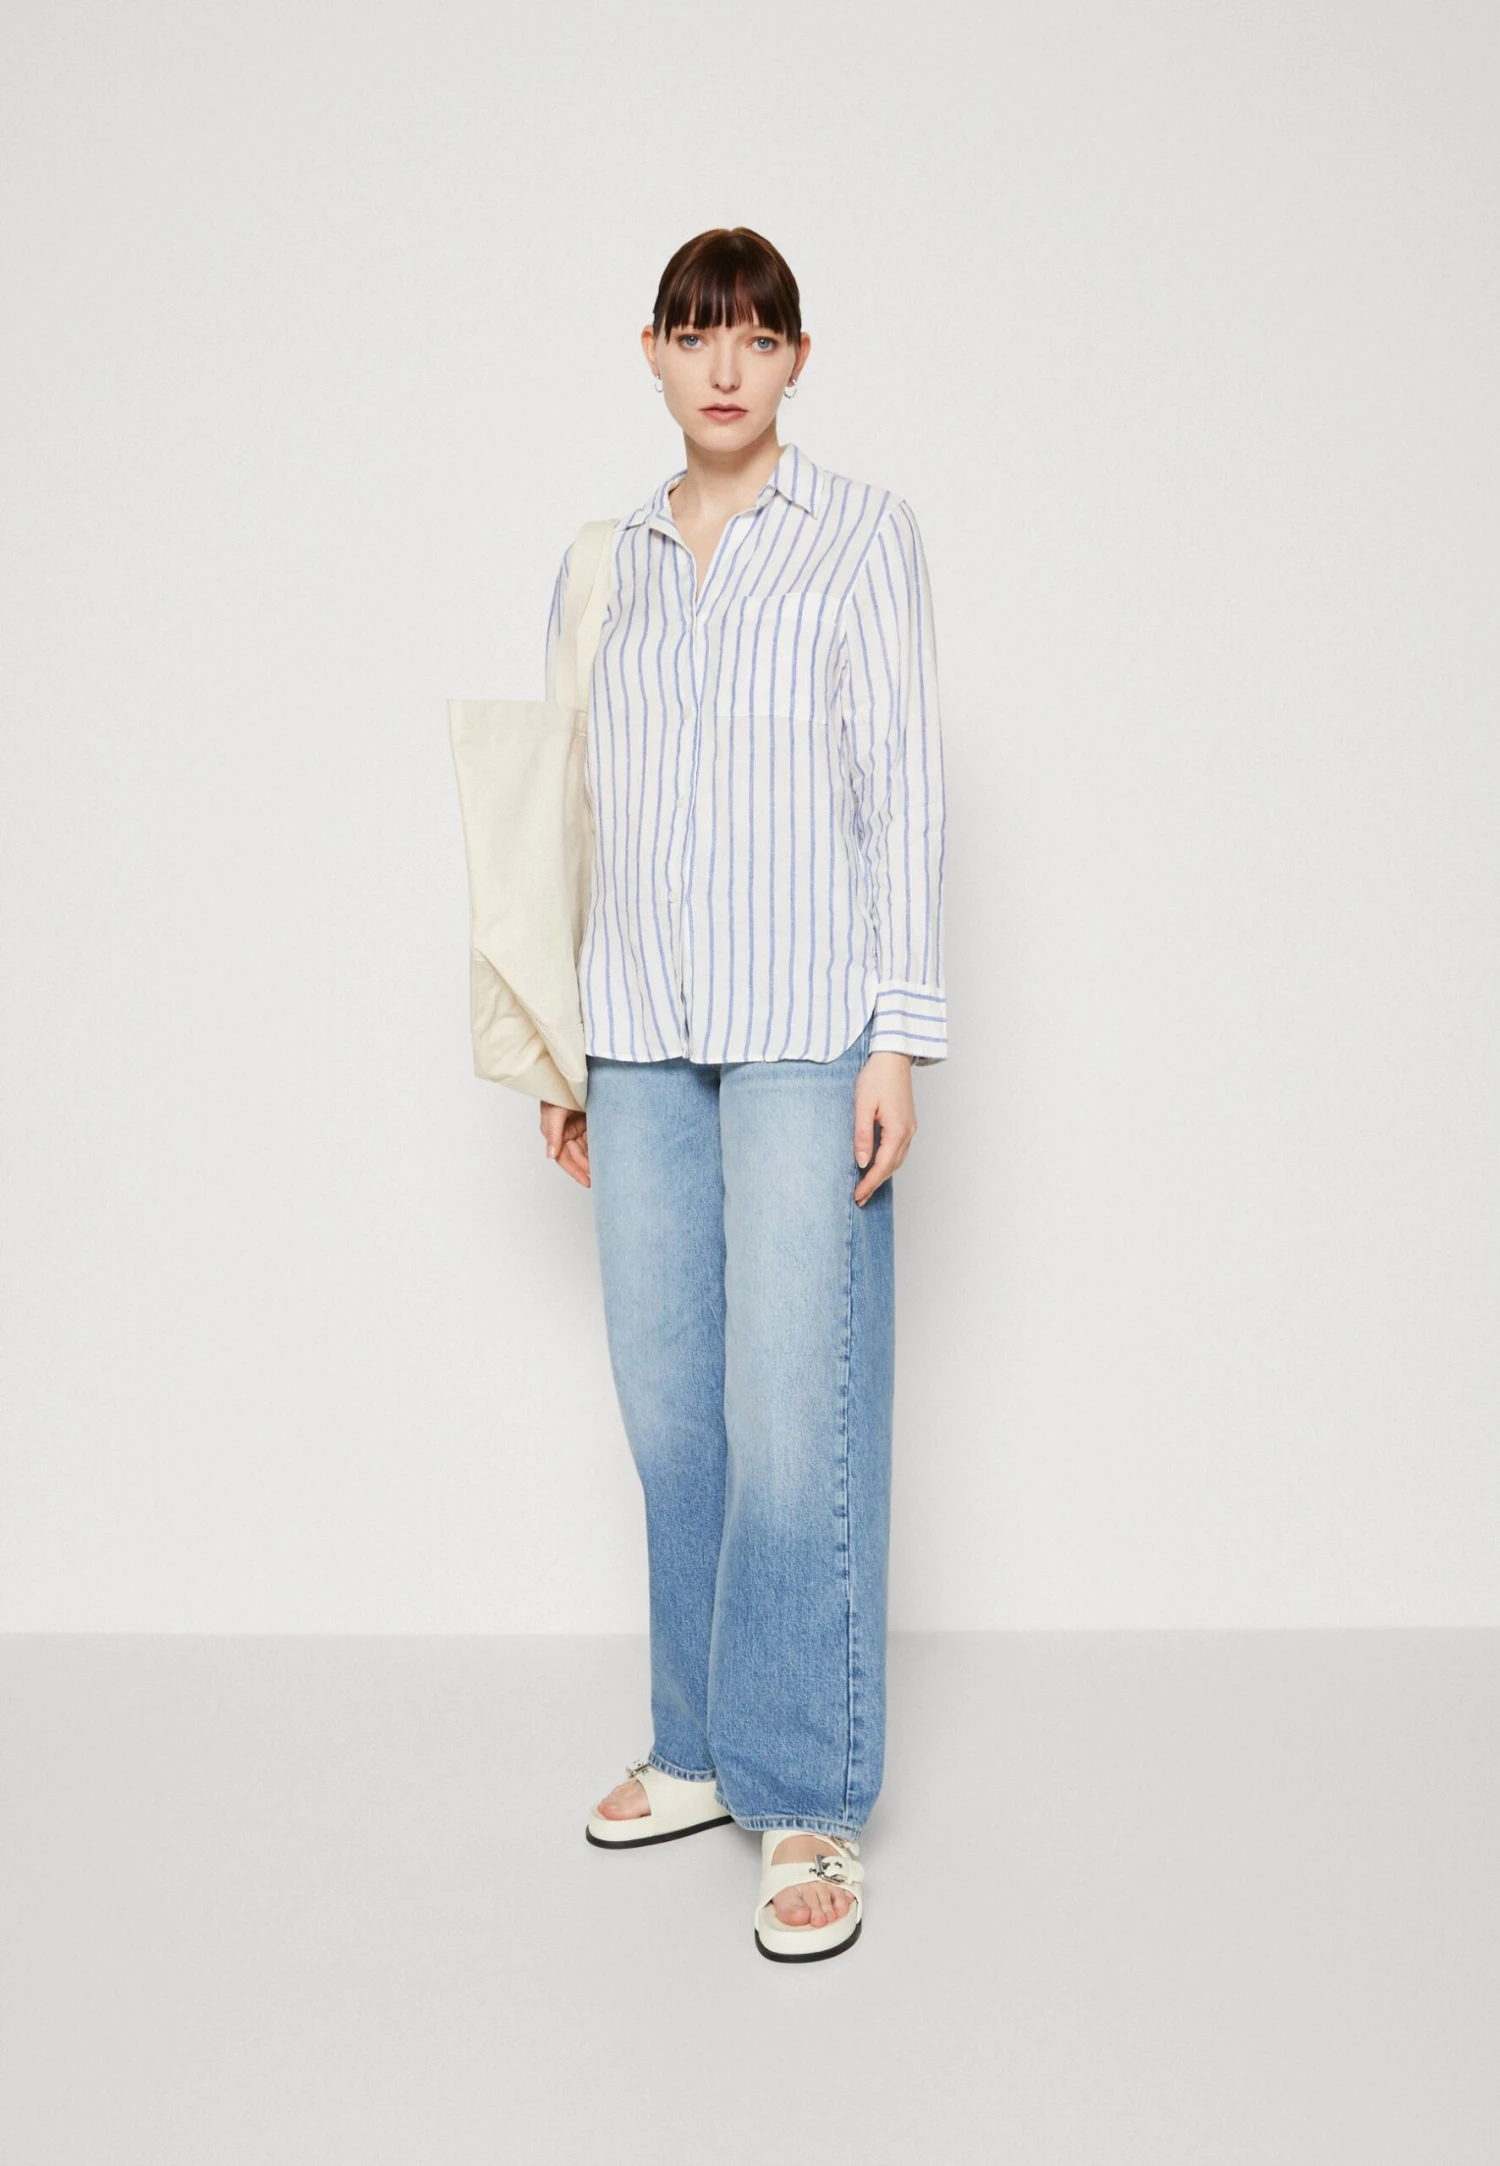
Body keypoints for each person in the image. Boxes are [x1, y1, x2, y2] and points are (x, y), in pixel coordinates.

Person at [538, 227, 947, 1961]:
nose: (724, 367)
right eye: (695, 335)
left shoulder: (860, 535)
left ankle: (808, 1792)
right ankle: (700, 1742)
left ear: (795, 360)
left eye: (756, 338)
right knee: (671, 1408)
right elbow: (571, 805)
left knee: (797, 1414)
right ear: (649, 350)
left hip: (803, 1029)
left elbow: (899, 785)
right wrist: (557, 1041)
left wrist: (897, 1034)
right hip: (637, 1030)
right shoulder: (605, 561)